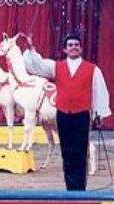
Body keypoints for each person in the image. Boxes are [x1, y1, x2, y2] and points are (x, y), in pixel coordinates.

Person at [23, 34, 111, 191]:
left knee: (80, 152)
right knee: (67, 152)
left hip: (82, 115)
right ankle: (71, 189)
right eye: (70, 45)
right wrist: (31, 48)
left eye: (76, 44)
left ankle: (80, 189)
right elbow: (36, 65)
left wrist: (99, 113)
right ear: (65, 49)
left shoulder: (92, 69)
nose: (74, 47)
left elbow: (99, 91)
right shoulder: (55, 66)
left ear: (81, 48)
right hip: (63, 115)